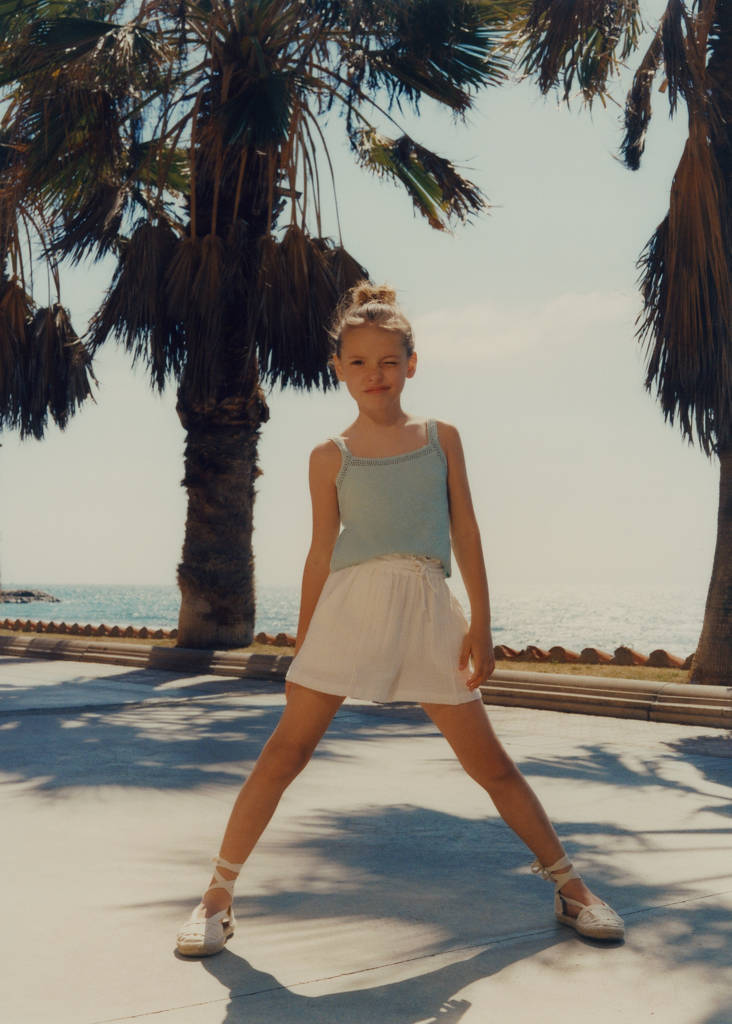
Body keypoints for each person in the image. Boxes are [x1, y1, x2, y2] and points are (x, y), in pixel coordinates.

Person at [176, 282, 624, 957]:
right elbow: (320, 552)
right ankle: (216, 897)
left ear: (412, 364)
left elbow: (466, 531)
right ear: (338, 369)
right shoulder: (329, 455)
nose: (374, 374)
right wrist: (304, 645)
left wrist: (481, 623)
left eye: (388, 361)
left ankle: (572, 889)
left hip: (427, 607)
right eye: (358, 362)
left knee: (492, 766)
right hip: (348, 611)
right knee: (283, 756)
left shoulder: (442, 439)